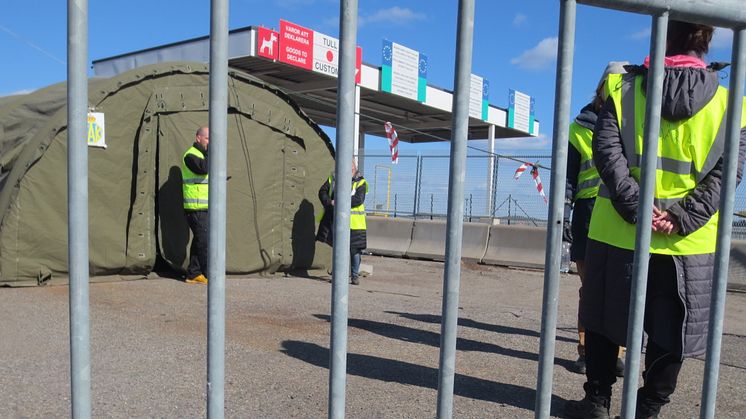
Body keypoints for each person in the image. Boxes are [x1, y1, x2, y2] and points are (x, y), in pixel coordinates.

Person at [565, 21, 746, 419]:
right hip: (689, 242)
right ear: (706, 40)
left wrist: (637, 207)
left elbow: (606, 154)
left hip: (619, 231)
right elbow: (729, 170)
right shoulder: (731, 104)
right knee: (672, 331)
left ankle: (596, 402)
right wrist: (681, 218)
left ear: (662, 34)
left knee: (603, 319)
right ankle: (648, 409)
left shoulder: (622, 92)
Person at [564, 61, 628, 377]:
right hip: (588, 218)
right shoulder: (578, 129)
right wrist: (563, 217)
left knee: (619, 290)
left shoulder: (634, 121)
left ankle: (616, 353)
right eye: (615, 85)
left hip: (621, 216)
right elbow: (568, 178)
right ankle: (586, 351)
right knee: (590, 290)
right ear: (602, 87)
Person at [316, 159, 368, 285]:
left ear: (354, 168)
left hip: (355, 224)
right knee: (338, 249)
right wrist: (329, 202)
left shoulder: (361, 182)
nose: (347, 169)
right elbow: (322, 191)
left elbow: (358, 200)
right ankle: (337, 274)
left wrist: (339, 202)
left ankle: (354, 276)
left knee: (354, 250)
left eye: (350, 167)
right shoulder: (333, 178)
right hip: (336, 220)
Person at [182, 126, 210, 285]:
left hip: (204, 207)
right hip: (195, 207)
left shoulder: (203, 155)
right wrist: (212, 151)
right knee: (203, 240)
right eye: (207, 139)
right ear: (198, 138)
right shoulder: (191, 155)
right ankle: (203, 272)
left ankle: (193, 273)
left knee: (200, 239)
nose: (209, 142)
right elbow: (203, 169)